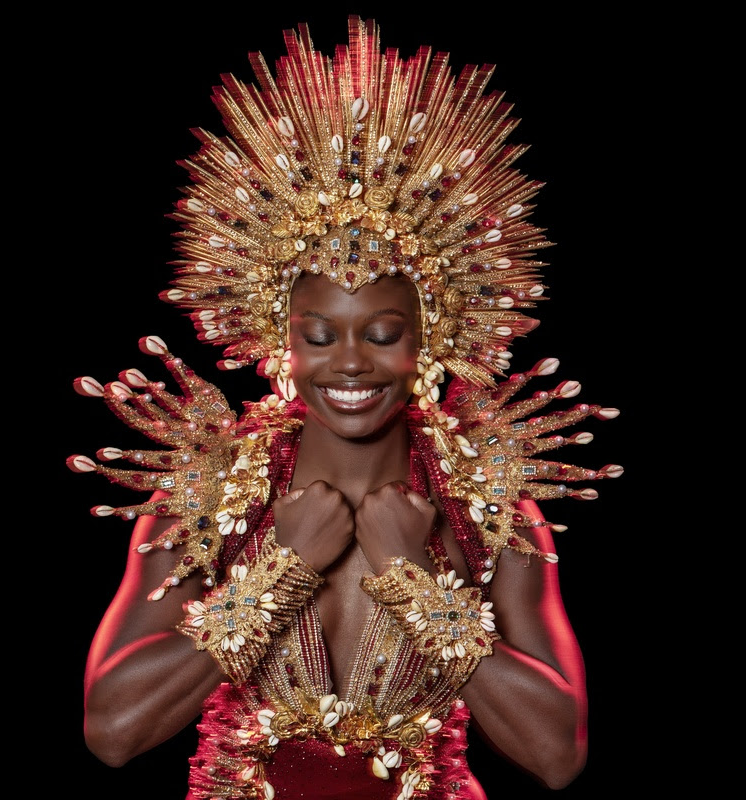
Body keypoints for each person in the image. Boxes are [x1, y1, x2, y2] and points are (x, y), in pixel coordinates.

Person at [69, 16, 622, 799]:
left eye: (383, 334)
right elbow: (113, 731)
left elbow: (556, 754)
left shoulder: (487, 509)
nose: (352, 362)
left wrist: (415, 580)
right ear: (282, 341)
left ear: (428, 340)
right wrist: (280, 573)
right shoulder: (208, 497)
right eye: (321, 335)